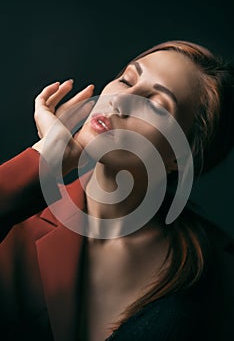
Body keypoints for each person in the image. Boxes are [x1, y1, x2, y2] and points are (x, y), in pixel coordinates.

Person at [0, 40, 234, 341]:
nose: (122, 101)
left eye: (156, 105)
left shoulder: (217, 269)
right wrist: (45, 160)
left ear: (179, 155)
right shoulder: (18, 219)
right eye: (126, 79)